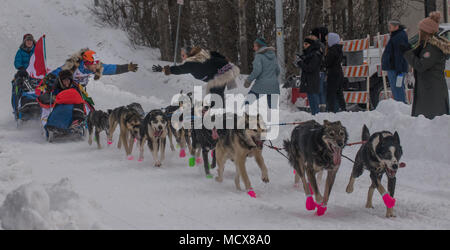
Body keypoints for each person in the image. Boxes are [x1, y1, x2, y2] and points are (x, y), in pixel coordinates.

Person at [152, 47, 240, 108]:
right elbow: (213, 53)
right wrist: (224, 59)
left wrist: (164, 69)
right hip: (223, 69)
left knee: (214, 94)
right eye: (181, 55)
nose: (182, 57)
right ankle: (217, 113)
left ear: (188, 55)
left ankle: (217, 118)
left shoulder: (191, 63)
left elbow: (179, 69)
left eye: (183, 55)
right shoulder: (198, 57)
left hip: (223, 71)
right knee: (214, 93)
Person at [402, 11, 450, 119]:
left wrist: (407, 53)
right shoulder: (427, 46)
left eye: (420, 30)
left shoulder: (433, 48)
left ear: (426, 32)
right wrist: (413, 51)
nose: (419, 32)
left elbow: (421, 66)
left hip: (433, 93)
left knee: (432, 125)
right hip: (428, 91)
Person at [244, 38, 280, 109]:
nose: (254, 48)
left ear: (259, 46)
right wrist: (271, 78)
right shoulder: (273, 56)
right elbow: (278, 70)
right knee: (273, 109)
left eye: (255, 46)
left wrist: (248, 80)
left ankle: (245, 117)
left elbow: (257, 71)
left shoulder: (259, 56)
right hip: (274, 85)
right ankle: (274, 120)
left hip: (261, 84)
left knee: (247, 102)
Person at [382, 20, 409, 103]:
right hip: (395, 67)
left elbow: (399, 54)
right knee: (397, 88)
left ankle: (400, 107)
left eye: (390, 26)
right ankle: (400, 105)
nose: (389, 28)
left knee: (397, 89)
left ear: (396, 27)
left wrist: (399, 70)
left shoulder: (398, 37)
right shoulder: (397, 35)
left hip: (395, 68)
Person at [294, 36, 322, 115]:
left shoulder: (315, 55)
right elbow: (306, 61)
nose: (304, 46)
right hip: (308, 80)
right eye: (304, 44)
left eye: (306, 44)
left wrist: (300, 62)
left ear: (311, 45)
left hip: (313, 80)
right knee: (311, 100)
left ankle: (317, 116)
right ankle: (314, 115)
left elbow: (310, 68)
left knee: (314, 100)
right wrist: (300, 59)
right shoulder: (309, 54)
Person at [325, 33, 345, 113]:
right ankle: (343, 108)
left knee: (331, 93)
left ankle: (331, 110)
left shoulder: (332, 50)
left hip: (333, 74)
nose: (326, 41)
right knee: (339, 93)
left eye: (327, 40)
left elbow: (327, 62)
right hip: (339, 73)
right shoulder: (339, 49)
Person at [311, 27, 329, 111]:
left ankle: (319, 109)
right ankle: (323, 107)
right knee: (322, 90)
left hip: (318, 70)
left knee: (319, 90)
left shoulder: (317, 45)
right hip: (322, 70)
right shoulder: (324, 44)